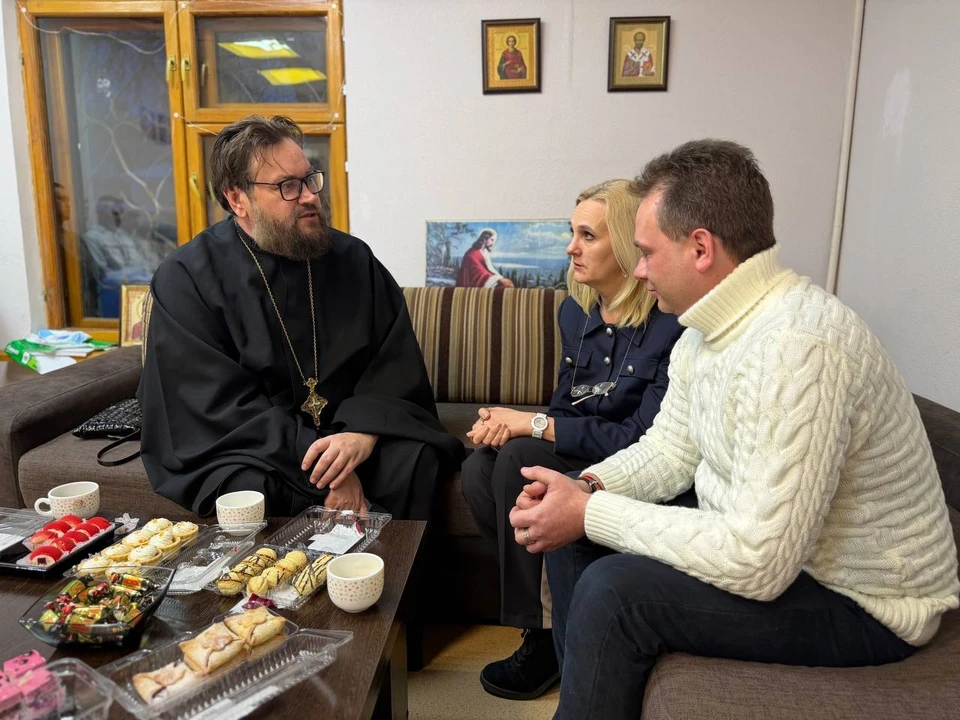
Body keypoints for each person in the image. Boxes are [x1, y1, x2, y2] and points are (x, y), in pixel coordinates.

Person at [508, 140, 960, 719]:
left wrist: (592, 512)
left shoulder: (798, 346)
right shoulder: (703, 333)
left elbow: (759, 559)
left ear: (701, 248)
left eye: (645, 252)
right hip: (784, 560)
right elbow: (670, 450)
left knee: (613, 593)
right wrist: (586, 488)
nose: (638, 270)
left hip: (862, 602)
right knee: (574, 540)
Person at [138, 115, 464, 519]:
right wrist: (323, 469)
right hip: (258, 448)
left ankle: (392, 563)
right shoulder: (186, 278)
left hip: (349, 431)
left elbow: (393, 364)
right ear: (238, 199)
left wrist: (362, 433)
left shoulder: (353, 260)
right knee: (249, 488)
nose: (309, 196)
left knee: (414, 459)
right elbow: (216, 404)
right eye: (288, 187)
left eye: (310, 179)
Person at [460, 180, 684, 701]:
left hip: (629, 457)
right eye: (571, 232)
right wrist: (506, 423)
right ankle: (537, 625)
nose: (570, 248)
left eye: (587, 235)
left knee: (520, 455)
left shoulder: (669, 324)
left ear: (626, 247)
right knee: (480, 464)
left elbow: (640, 436)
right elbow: (565, 405)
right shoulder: (574, 312)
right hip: (578, 441)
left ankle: (543, 638)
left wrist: (530, 425)